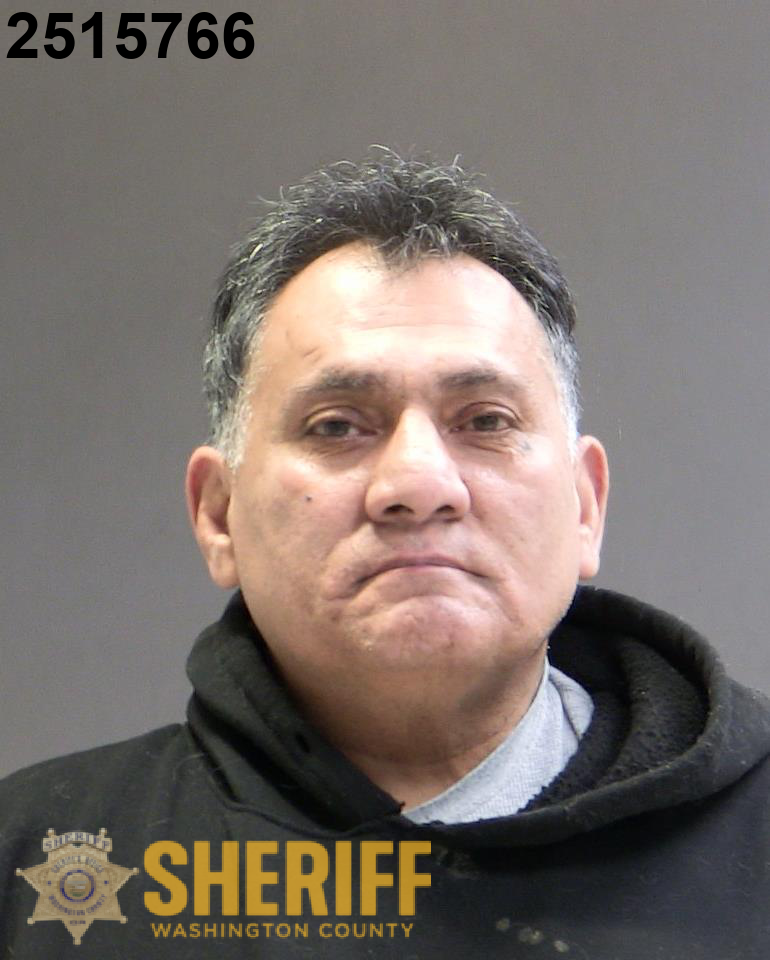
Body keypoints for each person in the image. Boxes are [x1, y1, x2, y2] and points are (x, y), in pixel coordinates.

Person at [1, 152, 768, 958]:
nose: (419, 484)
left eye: (486, 421)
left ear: (585, 506)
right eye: (337, 425)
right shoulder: (37, 868)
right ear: (219, 515)